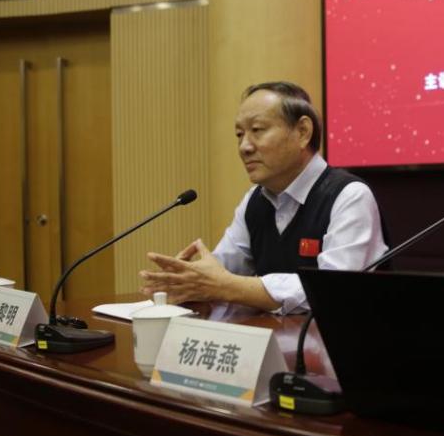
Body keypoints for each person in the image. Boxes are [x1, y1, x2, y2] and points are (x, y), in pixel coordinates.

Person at [140, 81, 388, 312]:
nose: (244, 147)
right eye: (239, 134)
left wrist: (224, 286)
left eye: (257, 130)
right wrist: (187, 280)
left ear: (303, 132)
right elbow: (222, 271)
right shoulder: (255, 200)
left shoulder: (349, 196)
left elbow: (334, 290)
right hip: (276, 341)